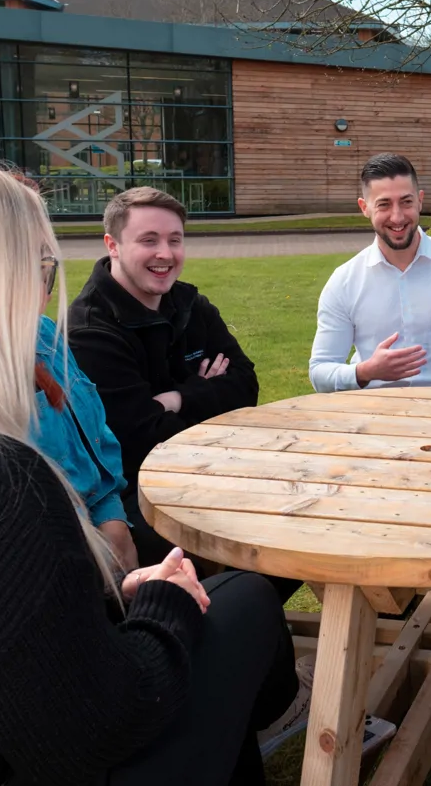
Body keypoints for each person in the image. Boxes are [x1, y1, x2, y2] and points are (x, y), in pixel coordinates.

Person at [0, 147, 299, 786]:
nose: (42, 293)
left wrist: (104, 595)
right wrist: (163, 606)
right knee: (242, 598)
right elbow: (94, 728)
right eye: (37, 269)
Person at [67, 187, 268, 575]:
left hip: (212, 470)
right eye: (149, 240)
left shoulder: (190, 305)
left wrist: (176, 397)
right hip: (137, 496)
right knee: (255, 553)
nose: (165, 254)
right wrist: (209, 394)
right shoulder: (90, 333)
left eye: (174, 240)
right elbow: (142, 439)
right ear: (113, 245)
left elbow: (246, 386)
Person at [308, 153, 431, 392]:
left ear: (420, 201)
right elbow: (320, 371)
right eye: (384, 204)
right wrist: (364, 372)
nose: (397, 216)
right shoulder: (344, 281)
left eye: (406, 202)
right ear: (365, 208)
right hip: (370, 412)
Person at [35, 309, 139, 572]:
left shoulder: (44, 333)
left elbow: (93, 445)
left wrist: (113, 521)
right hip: (59, 562)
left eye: (46, 272)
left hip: (105, 539)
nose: (41, 292)